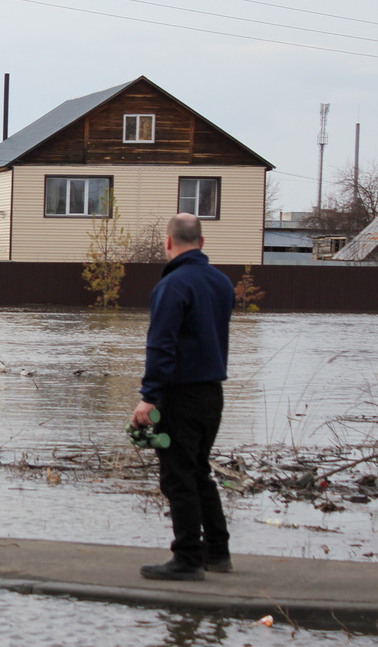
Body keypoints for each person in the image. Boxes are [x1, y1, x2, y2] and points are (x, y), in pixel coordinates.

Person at [132, 212, 234, 581]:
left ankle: (188, 557)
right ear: (203, 243)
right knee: (199, 472)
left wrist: (149, 396)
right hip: (212, 394)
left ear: (168, 243)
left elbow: (162, 344)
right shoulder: (222, 283)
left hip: (180, 395)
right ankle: (217, 552)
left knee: (178, 477)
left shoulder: (173, 285)